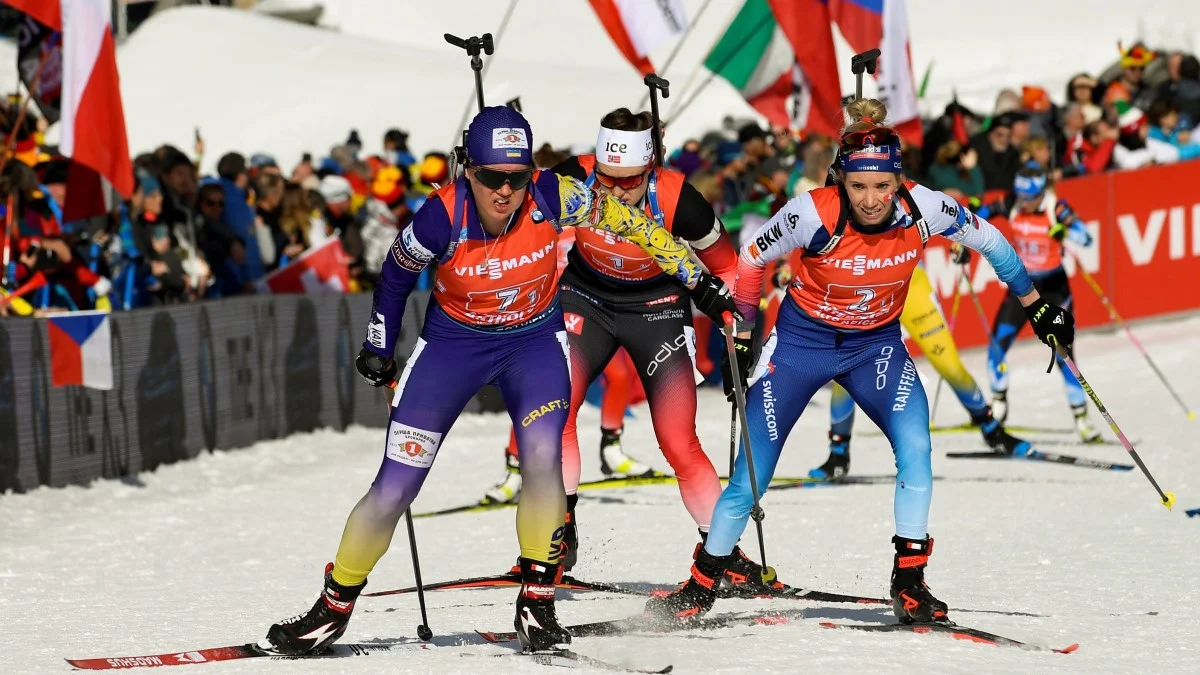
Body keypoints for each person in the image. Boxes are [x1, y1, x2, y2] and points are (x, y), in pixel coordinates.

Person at [265, 106, 736, 656]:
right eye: (492, 177)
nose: (505, 192)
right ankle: (332, 608)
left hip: (531, 346)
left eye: (517, 177)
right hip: (451, 349)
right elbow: (393, 278)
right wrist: (378, 344)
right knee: (396, 486)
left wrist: (699, 282)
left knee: (542, 461)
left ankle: (537, 602)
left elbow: (637, 226)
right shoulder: (440, 216)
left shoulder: (557, 194)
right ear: (469, 170)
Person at [646, 99, 1075, 626]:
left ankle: (910, 582)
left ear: (898, 181)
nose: (871, 200)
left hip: (876, 348)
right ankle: (703, 582)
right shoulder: (812, 211)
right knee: (752, 474)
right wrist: (745, 332)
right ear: (841, 180)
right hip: (802, 347)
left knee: (916, 446)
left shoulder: (927, 209)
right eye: (858, 186)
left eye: (882, 186)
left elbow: (992, 241)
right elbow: (753, 258)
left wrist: (1035, 306)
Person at [494, 108, 769, 586]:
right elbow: (513, 207)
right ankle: (559, 535)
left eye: (629, 182)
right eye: (607, 179)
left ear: (650, 168)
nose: (615, 192)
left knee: (678, 442)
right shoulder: (574, 176)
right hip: (586, 296)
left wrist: (739, 334)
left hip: (657, 305)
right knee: (555, 409)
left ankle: (723, 553)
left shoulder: (678, 197)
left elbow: (728, 269)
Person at [810, 259, 1033, 481]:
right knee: (847, 371)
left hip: (912, 287)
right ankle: (838, 454)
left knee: (949, 365)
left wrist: (959, 243)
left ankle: (992, 430)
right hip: (866, 294)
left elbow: (957, 224)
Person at [986, 162, 1100, 443]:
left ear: (1041, 193)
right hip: (1022, 286)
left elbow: (1086, 238)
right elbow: (981, 213)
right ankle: (998, 407)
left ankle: (1082, 418)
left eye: (1029, 198)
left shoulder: (1056, 208)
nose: (1023, 202)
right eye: (1021, 197)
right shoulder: (1012, 202)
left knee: (1063, 354)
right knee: (997, 344)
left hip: (1053, 290)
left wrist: (1065, 232)